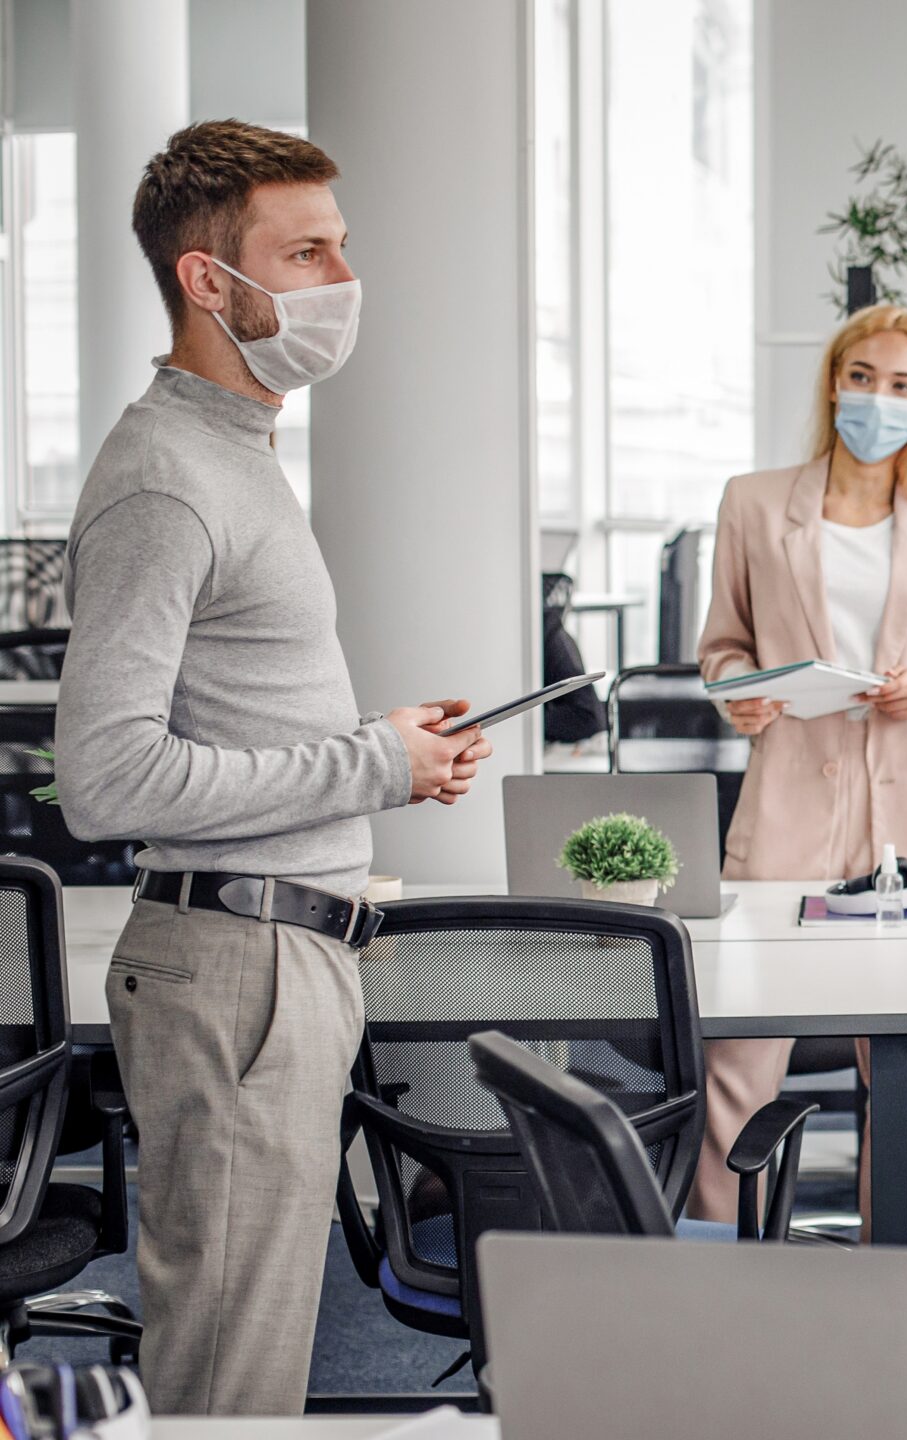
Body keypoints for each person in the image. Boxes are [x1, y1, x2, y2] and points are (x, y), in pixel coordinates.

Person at [53, 120, 490, 1414]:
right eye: (304, 252)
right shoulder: (166, 479)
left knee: (253, 1365)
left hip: (282, 956)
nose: (339, 281)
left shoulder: (237, 455)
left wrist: (387, 760)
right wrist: (373, 764)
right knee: (230, 1385)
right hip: (235, 965)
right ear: (209, 281)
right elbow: (108, 779)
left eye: (340, 246)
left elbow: (233, 718)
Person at [694, 304, 907, 1227]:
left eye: (903, 386)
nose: (879, 398)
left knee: (902, 1070)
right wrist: (739, 694)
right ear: (834, 383)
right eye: (863, 377)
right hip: (790, 807)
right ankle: (719, 1256)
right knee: (740, 1056)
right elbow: (721, 649)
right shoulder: (754, 503)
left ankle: (890, 1275)